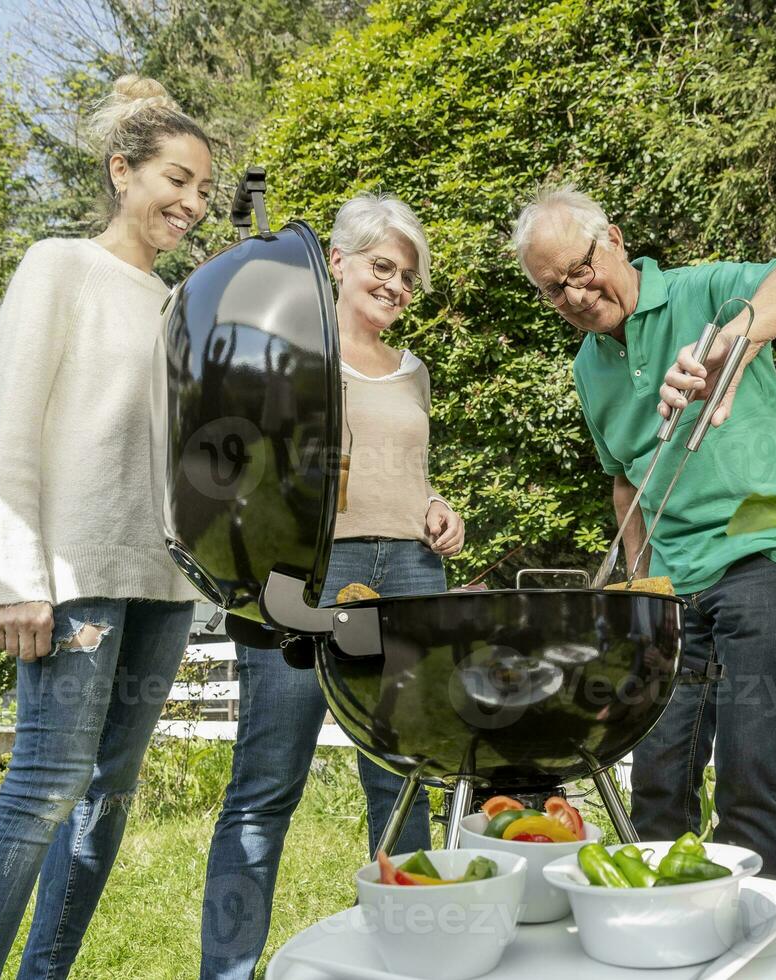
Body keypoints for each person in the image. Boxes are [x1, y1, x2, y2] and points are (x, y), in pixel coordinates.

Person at [0, 76, 213, 979]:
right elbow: (6, 419)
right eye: (178, 179)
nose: (193, 204)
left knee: (107, 799)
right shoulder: (58, 264)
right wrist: (16, 576)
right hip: (74, 572)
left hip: (163, 582)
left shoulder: (178, 306)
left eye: (205, 190)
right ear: (121, 170)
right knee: (46, 789)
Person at [510, 185, 776, 880]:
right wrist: (640, 586)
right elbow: (627, 477)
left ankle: (753, 939)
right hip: (672, 589)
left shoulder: (706, 292)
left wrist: (734, 339)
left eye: (579, 269)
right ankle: (659, 931)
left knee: (750, 772)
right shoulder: (586, 367)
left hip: (765, 558)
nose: (572, 294)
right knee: (657, 778)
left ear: (616, 240)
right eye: (551, 289)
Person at [200, 192, 465, 980]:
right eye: (382, 266)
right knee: (266, 782)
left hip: (408, 575)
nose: (396, 285)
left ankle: (412, 957)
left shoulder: (414, 371)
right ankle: (228, 969)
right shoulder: (286, 354)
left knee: (402, 777)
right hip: (310, 578)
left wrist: (438, 509)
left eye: (408, 276)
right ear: (338, 263)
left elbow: (405, 475)